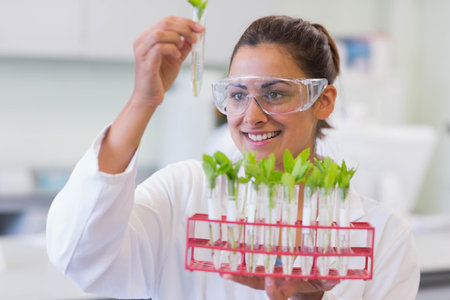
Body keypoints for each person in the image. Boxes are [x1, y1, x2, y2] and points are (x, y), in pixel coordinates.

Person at [46, 15, 420, 300]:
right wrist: (143, 101)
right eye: (238, 94)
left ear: (322, 101)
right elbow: (78, 256)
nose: (251, 116)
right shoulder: (184, 194)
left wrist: (309, 297)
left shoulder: (382, 236)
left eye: (274, 94)